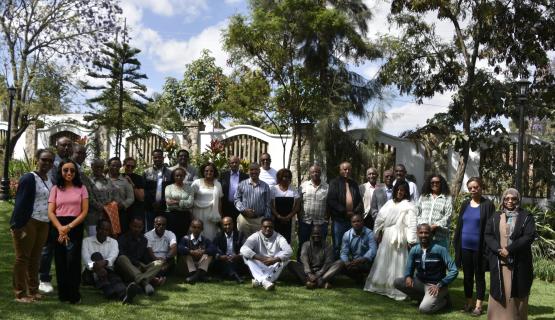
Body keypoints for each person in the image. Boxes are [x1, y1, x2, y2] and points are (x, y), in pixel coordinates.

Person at [10, 149, 54, 302]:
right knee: (23, 258)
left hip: (44, 223)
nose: (47, 163)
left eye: (50, 160)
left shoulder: (49, 179)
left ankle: (33, 290)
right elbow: (20, 203)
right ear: (37, 159)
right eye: (44, 159)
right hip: (28, 222)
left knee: (36, 258)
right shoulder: (29, 178)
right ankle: (20, 293)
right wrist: (17, 226)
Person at [485, 188, 536, 320]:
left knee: (517, 293)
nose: (510, 201)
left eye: (513, 198)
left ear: (518, 200)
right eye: (507, 198)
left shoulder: (526, 217)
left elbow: (529, 236)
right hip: (499, 263)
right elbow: (488, 234)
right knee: (499, 291)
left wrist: (509, 249)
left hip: (518, 264)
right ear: (503, 200)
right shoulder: (496, 216)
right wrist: (498, 249)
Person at [364, 181, 417, 300]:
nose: (400, 192)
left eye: (402, 190)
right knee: (384, 260)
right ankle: (381, 286)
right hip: (387, 236)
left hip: (400, 237)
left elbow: (411, 224)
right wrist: (377, 233)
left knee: (397, 261)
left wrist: (411, 240)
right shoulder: (388, 203)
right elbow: (379, 219)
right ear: (395, 190)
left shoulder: (409, 205)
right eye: (398, 189)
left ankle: (397, 289)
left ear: (406, 192)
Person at [47, 159, 89, 303]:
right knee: (60, 260)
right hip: (58, 226)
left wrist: (68, 227)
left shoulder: (82, 188)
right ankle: (63, 294)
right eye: (66, 170)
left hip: (75, 226)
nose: (69, 173)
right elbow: (51, 212)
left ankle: (74, 294)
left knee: (73, 260)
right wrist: (60, 228)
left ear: (76, 172)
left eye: (72, 170)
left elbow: (84, 212)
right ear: (61, 171)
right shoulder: (55, 189)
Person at [453, 177, 495, 315]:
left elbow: (491, 228)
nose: (473, 190)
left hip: (479, 248)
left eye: (475, 187)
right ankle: (469, 303)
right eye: (470, 187)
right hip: (465, 247)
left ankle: (478, 306)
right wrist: (457, 244)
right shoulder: (465, 204)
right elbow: (460, 225)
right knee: (467, 277)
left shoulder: (488, 205)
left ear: (481, 187)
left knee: (479, 277)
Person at [394, 223, 458, 314]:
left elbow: (454, 270)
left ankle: (444, 301)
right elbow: (409, 267)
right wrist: (408, 276)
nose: (423, 235)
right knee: (397, 282)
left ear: (431, 234)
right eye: (421, 233)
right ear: (417, 234)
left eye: (426, 233)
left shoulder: (440, 250)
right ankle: (424, 298)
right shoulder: (414, 250)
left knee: (424, 309)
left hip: (436, 286)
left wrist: (441, 284)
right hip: (420, 283)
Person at [39, 136, 73, 294]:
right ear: (56, 146)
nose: (66, 148)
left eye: (69, 145)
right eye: (63, 145)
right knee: (49, 247)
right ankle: (43, 278)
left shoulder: (70, 164)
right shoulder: (54, 164)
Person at [82, 219, 139, 304]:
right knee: (96, 256)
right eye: (102, 229)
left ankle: (123, 295)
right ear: (97, 229)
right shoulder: (86, 241)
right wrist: (97, 267)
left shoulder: (113, 242)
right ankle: (112, 290)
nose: (104, 232)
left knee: (113, 276)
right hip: (89, 273)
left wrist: (104, 263)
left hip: (107, 271)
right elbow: (86, 260)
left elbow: (113, 257)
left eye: (107, 230)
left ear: (109, 232)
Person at [240, 218, 292, 291]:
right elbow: (243, 249)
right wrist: (261, 258)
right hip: (259, 263)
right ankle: (265, 281)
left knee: (285, 257)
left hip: (273, 264)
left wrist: (274, 259)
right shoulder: (256, 236)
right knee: (245, 255)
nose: (268, 229)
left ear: (273, 228)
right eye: (265, 227)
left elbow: (289, 251)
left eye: (270, 227)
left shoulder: (279, 237)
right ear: (261, 227)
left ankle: (259, 280)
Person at [116, 217, 163, 295]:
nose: (137, 229)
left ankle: (140, 281)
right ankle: (145, 283)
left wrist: (145, 267)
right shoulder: (122, 238)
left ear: (142, 228)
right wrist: (137, 263)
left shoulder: (144, 240)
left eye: (139, 227)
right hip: (126, 268)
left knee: (159, 263)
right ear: (130, 226)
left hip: (139, 267)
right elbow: (120, 254)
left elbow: (145, 258)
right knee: (122, 258)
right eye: (135, 226)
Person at [327, 161, 364, 258]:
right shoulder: (334, 183)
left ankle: (350, 267)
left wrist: (354, 213)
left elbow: (359, 201)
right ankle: (336, 268)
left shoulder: (354, 184)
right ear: (340, 170)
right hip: (339, 219)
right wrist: (344, 211)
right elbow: (331, 200)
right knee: (338, 245)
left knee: (353, 245)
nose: (347, 171)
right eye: (345, 169)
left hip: (352, 220)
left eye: (349, 169)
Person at [331, 213, 378, 284]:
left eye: (358, 221)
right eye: (354, 222)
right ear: (351, 223)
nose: (356, 223)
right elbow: (344, 252)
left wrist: (363, 259)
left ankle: (366, 276)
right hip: (354, 262)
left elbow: (373, 250)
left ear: (363, 222)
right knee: (340, 264)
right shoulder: (347, 235)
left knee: (374, 262)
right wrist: (346, 262)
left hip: (367, 261)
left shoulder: (370, 233)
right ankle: (359, 277)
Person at [289, 225, 336, 289]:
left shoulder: (327, 245)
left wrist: (318, 274)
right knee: (291, 264)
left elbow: (328, 262)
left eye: (318, 234)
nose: (316, 235)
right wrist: (309, 273)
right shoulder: (306, 244)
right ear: (311, 234)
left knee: (340, 263)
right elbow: (304, 259)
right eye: (314, 233)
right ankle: (321, 284)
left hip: (323, 272)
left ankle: (312, 283)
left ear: (322, 234)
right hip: (309, 271)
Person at [298, 164, 329, 259]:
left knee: (320, 245)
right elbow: (299, 203)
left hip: (321, 222)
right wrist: (299, 218)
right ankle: (301, 262)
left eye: (317, 172)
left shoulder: (327, 186)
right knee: (303, 243)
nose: (315, 173)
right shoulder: (303, 186)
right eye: (313, 172)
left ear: (320, 173)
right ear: (309, 173)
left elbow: (328, 204)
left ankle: (318, 264)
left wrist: (327, 219)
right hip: (305, 221)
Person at [234, 163, 271, 237]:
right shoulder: (242, 184)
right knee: (242, 243)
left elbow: (268, 204)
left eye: (256, 169)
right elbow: (236, 199)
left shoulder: (265, 186)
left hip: (259, 220)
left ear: (259, 171)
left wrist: (266, 220)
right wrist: (244, 210)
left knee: (258, 244)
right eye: (251, 169)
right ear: (248, 171)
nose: (254, 171)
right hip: (244, 220)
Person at [416, 174, 453, 248]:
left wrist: (435, 225)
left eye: (437, 182)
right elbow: (417, 213)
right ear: (429, 184)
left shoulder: (447, 198)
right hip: (424, 235)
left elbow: (448, 216)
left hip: (439, 236)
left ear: (441, 183)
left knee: (439, 257)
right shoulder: (423, 197)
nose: (434, 184)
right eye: (432, 182)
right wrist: (424, 226)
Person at [177, 219, 216, 284]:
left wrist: (203, 251)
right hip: (188, 266)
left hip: (200, 264)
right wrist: (191, 251)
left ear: (202, 229)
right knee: (186, 255)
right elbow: (179, 248)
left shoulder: (205, 240)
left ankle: (195, 276)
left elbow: (213, 249)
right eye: (194, 227)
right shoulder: (185, 238)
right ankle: (200, 275)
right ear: (190, 228)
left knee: (208, 256)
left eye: (199, 228)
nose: (196, 229)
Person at [87, 159, 119, 236]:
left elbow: (115, 195)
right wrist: (103, 207)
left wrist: (112, 205)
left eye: (101, 167)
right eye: (97, 167)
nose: (99, 169)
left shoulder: (108, 180)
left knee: (108, 240)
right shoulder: (87, 180)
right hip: (94, 216)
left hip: (109, 216)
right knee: (93, 240)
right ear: (92, 167)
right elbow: (89, 198)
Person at [191, 163, 223, 240]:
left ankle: (209, 250)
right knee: (198, 233)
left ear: (214, 172)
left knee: (210, 234)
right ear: (203, 172)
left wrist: (220, 215)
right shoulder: (197, 183)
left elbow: (219, 202)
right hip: (198, 213)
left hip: (212, 215)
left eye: (211, 171)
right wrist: (190, 215)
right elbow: (191, 199)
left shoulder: (218, 184)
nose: (209, 172)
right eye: (206, 171)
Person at [143, 149, 172, 230]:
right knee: (149, 229)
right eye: (155, 157)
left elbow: (171, 189)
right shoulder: (146, 172)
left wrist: (162, 201)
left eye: (159, 157)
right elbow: (145, 190)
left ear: (163, 158)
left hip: (164, 206)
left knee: (164, 229)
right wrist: (152, 202)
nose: (157, 159)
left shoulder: (170, 173)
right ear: (153, 158)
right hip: (150, 206)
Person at [270, 168, 300, 243]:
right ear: (280, 177)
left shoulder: (293, 189)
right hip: (276, 220)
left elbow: (297, 205)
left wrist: (288, 217)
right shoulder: (274, 189)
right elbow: (271, 205)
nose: (286, 179)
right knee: (275, 241)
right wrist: (278, 216)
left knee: (287, 242)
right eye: (284, 176)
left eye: (288, 177)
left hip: (289, 220)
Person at [213, 216, 246, 283]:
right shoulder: (219, 235)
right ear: (222, 226)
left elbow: (245, 249)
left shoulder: (240, 235)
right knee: (224, 262)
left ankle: (225, 275)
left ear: (233, 224)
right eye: (225, 225)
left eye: (229, 224)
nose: (227, 226)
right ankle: (235, 276)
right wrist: (220, 256)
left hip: (236, 259)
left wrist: (238, 256)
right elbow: (213, 248)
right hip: (224, 260)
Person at [164, 167, 194, 240]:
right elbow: (169, 203)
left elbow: (190, 203)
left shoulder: (190, 188)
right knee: (172, 238)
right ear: (173, 176)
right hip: (172, 215)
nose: (179, 177)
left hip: (185, 216)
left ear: (184, 176)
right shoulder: (168, 187)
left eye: (181, 175)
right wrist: (183, 202)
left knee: (183, 237)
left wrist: (176, 202)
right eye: (177, 175)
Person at [108, 157, 135, 234]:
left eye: (117, 166)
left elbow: (131, 198)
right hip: (105, 213)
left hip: (121, 212)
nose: (115, 167)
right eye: (113, 165)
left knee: (119, 234)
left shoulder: (125, 181)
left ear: (120, 167)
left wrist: (123, 205)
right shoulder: (103, 179)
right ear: (108, 166)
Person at [220, 155, 249, 224]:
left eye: (236, 162)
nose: (234, 164)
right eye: (232, 163)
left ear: (239, 163)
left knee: (238, 226)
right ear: (229, 164)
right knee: (226, 225)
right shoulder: (223, 175)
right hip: (226, 206)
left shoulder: (245, 176)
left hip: (239, 207)